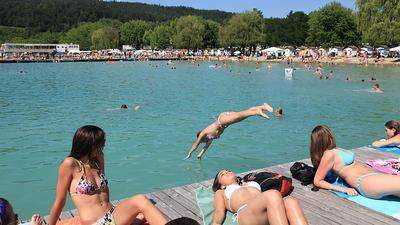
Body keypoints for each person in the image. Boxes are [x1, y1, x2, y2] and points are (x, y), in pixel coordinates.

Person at [48, 125, 167, 225]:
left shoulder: (98, 160)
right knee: (140, 200)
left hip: (112, 214)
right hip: (96, 222)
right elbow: (60, 200)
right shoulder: (70, 164)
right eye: (101, 141)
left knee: (142, 208)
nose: (104, 144)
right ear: (89, 143)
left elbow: (104, 193)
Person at [310, 125, 400, 199]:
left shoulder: (334, 150)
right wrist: (343, 189)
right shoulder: (328, 154)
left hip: (373, 177)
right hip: (365, 181)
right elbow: (317, 181)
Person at [211, 170, 308, 225]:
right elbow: (219, 211)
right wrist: (216, 223)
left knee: (290, 201)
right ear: (222, 185)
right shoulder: (221, 192)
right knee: (272, 194)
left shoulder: (247, 183)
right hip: (246, 215)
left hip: (263, 212)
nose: (227, 171)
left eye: (227, 170)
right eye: (222, 174)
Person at [184, 103, 273, 160]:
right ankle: (262, 107)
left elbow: (196, 144)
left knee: (240, 115)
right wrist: (200, 155)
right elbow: (206, 147)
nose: (203, 142)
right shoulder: (210, 138)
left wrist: (189, 153)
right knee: (242, 115)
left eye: (202, 141)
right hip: (224, 119)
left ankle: (257, 112)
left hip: (222, 121)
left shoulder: (203, 133)